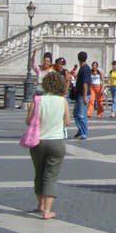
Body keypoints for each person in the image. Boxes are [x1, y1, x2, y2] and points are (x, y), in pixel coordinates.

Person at [27, 71, 71, 219]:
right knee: (51, 176)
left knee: (39, 173)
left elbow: (28, 121)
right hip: (56, 141)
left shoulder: (37, 100)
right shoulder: (62, 101)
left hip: (38, 141)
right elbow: (67, 122)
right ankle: (47, 211)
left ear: (45, 84)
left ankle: (40, 205)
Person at [72, 52, 91, 139]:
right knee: (76, 113)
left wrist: (84, 97)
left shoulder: (85, 69)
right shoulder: (83, 68)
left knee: (81, 114)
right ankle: (80, 129)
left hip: (83, 95)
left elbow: (85, 83)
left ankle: (84, 132)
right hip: (80, 94)